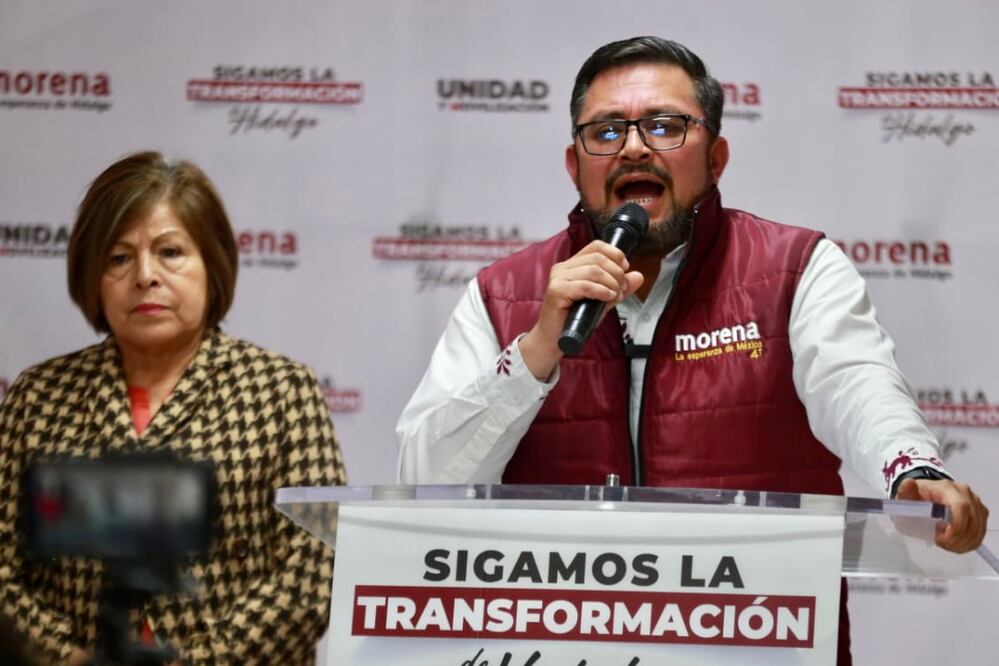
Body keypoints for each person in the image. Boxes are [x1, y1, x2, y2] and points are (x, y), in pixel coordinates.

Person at [396, 36, 989, 663]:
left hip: (753, 644)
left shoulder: (793, 269)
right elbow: (423, 483)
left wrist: (912, 468)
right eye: (605, 132)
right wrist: (538, 348)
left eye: (664, 126)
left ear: (716, 156)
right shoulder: (505, 294)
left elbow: (856, 384)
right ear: (575, 165)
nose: (631, 147)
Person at [0, 151, 347, 665]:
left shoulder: (280, 392)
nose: (145, 276)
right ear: (91, 275)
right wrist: (65, 657)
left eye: (170, 252)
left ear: (213, 265)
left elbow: (316, 569)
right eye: (119, 258)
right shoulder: (39, 395)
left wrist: (197, 663)